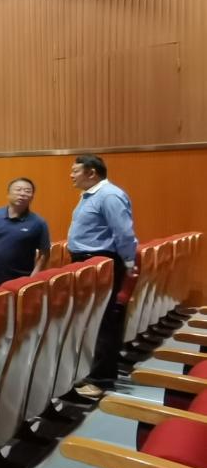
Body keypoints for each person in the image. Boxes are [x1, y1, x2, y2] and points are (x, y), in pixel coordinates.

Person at [67, 154, 138, 398]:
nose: (71, 175)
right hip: (89, 263)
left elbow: (124, 232)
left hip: (100, 262)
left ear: (91, 173)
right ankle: (93, 372)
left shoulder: (109, 195)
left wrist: (128, 262)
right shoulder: (90, 195)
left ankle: (102, 379)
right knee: (92, 320)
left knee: (104, 320)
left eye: (75, 171)